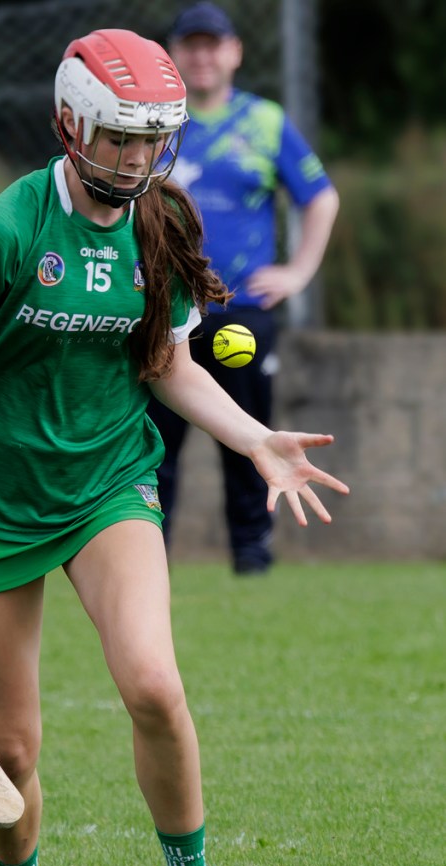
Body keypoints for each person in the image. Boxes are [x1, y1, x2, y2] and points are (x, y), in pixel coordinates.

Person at [0, 29, 348, 866]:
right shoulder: (10, 226)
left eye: (151, 137)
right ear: (70, 124)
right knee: (9, 752)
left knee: (154, 686)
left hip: (106, 482)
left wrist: (253, 439)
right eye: (118, 135)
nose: (135, 156)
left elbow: (166, 362)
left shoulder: (159, 224)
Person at [146, 2, 340, 575]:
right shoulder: (155, 122)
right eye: (191, 45)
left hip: (240, 313)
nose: (202, 56)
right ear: (174, 55)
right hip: (161, 308)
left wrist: (298, 273)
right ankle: (148, 556)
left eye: (213, 45)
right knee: (156, 442)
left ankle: (253, 556)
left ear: (234, 52)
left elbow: (321, 198)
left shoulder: (265, 122)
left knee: (250, 437)